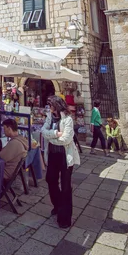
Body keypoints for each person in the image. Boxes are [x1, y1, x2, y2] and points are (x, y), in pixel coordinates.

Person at [42, 96, 80, 229]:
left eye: (50, 104)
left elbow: (66, 139)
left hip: (65, 156)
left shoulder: (68, 119)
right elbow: (43, 131)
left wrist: (51, 137)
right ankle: (57, 205)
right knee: (50, 180)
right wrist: (55, 133)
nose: (49, 107)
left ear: (57, 105)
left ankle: (64, 218)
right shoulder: (49, 117)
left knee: (65, 187)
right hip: (53, 155)